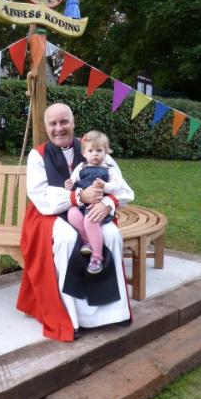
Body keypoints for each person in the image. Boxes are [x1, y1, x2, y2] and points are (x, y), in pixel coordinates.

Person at [17, 103, 134, 342]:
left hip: (93, 209)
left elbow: (123, 188)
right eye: (53, 123)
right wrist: (78, 196)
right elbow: (40, 196)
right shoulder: (37, 155)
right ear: (46, 126)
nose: (59, 128)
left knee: (111, 234)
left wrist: (108, 203)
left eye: (64, 122)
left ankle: (113, 312)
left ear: (73, 122)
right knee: (68, 239)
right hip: (50, 213)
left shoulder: (94, 147)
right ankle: (72, 316)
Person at [65, 130, 119, 275]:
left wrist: (105, 186)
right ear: (84, 153)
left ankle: (96, 257)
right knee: (72, 215)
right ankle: (86, 240)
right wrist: (69, 185)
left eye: (99, 150)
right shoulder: (81, 167)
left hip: (97, 205)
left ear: (106, 152)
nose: (95, 154)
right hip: (81, 203)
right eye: (90, 150)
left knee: (90, 220)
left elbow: (116, 186)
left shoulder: (109, 169)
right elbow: (73, 180)